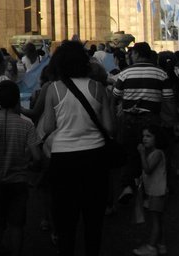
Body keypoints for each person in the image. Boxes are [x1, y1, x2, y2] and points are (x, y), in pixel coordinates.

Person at [38, 39, 114, 256]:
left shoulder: (54, 89)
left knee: (65, 220)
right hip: (95, 156)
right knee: (93, 220)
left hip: (63, 158)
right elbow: (110, 128)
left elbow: (49, 126)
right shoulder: (98, 88)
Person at [0, 80, 41, 256]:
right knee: (17, 224)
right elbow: (38, 157)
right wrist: (30, 165)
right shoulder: (27, 125)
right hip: (18, 182)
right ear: (17, 100)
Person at [112, 42, 173, 204]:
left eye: (132, 53)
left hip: (129, 119)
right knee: (150, 153)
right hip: (151, 119)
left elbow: (116, 94)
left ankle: (128, 185)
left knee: (130, 152)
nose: (130, 56)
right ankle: (148, 191)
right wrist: (172, 121)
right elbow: (168, 100)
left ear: (137, 54)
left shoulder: (125, 73)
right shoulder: (161, 73)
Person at [133, 125, 167, 256]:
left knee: (155, 221)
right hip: (156, 191)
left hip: (157, 192)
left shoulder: (157, 153)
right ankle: (161, 244)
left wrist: (142, 154)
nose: (144, 139)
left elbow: (148, 169)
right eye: (143, 136)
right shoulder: (154, 153)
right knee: (158, 219)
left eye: (148, 136)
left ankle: (151, 247)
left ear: (156, 138)